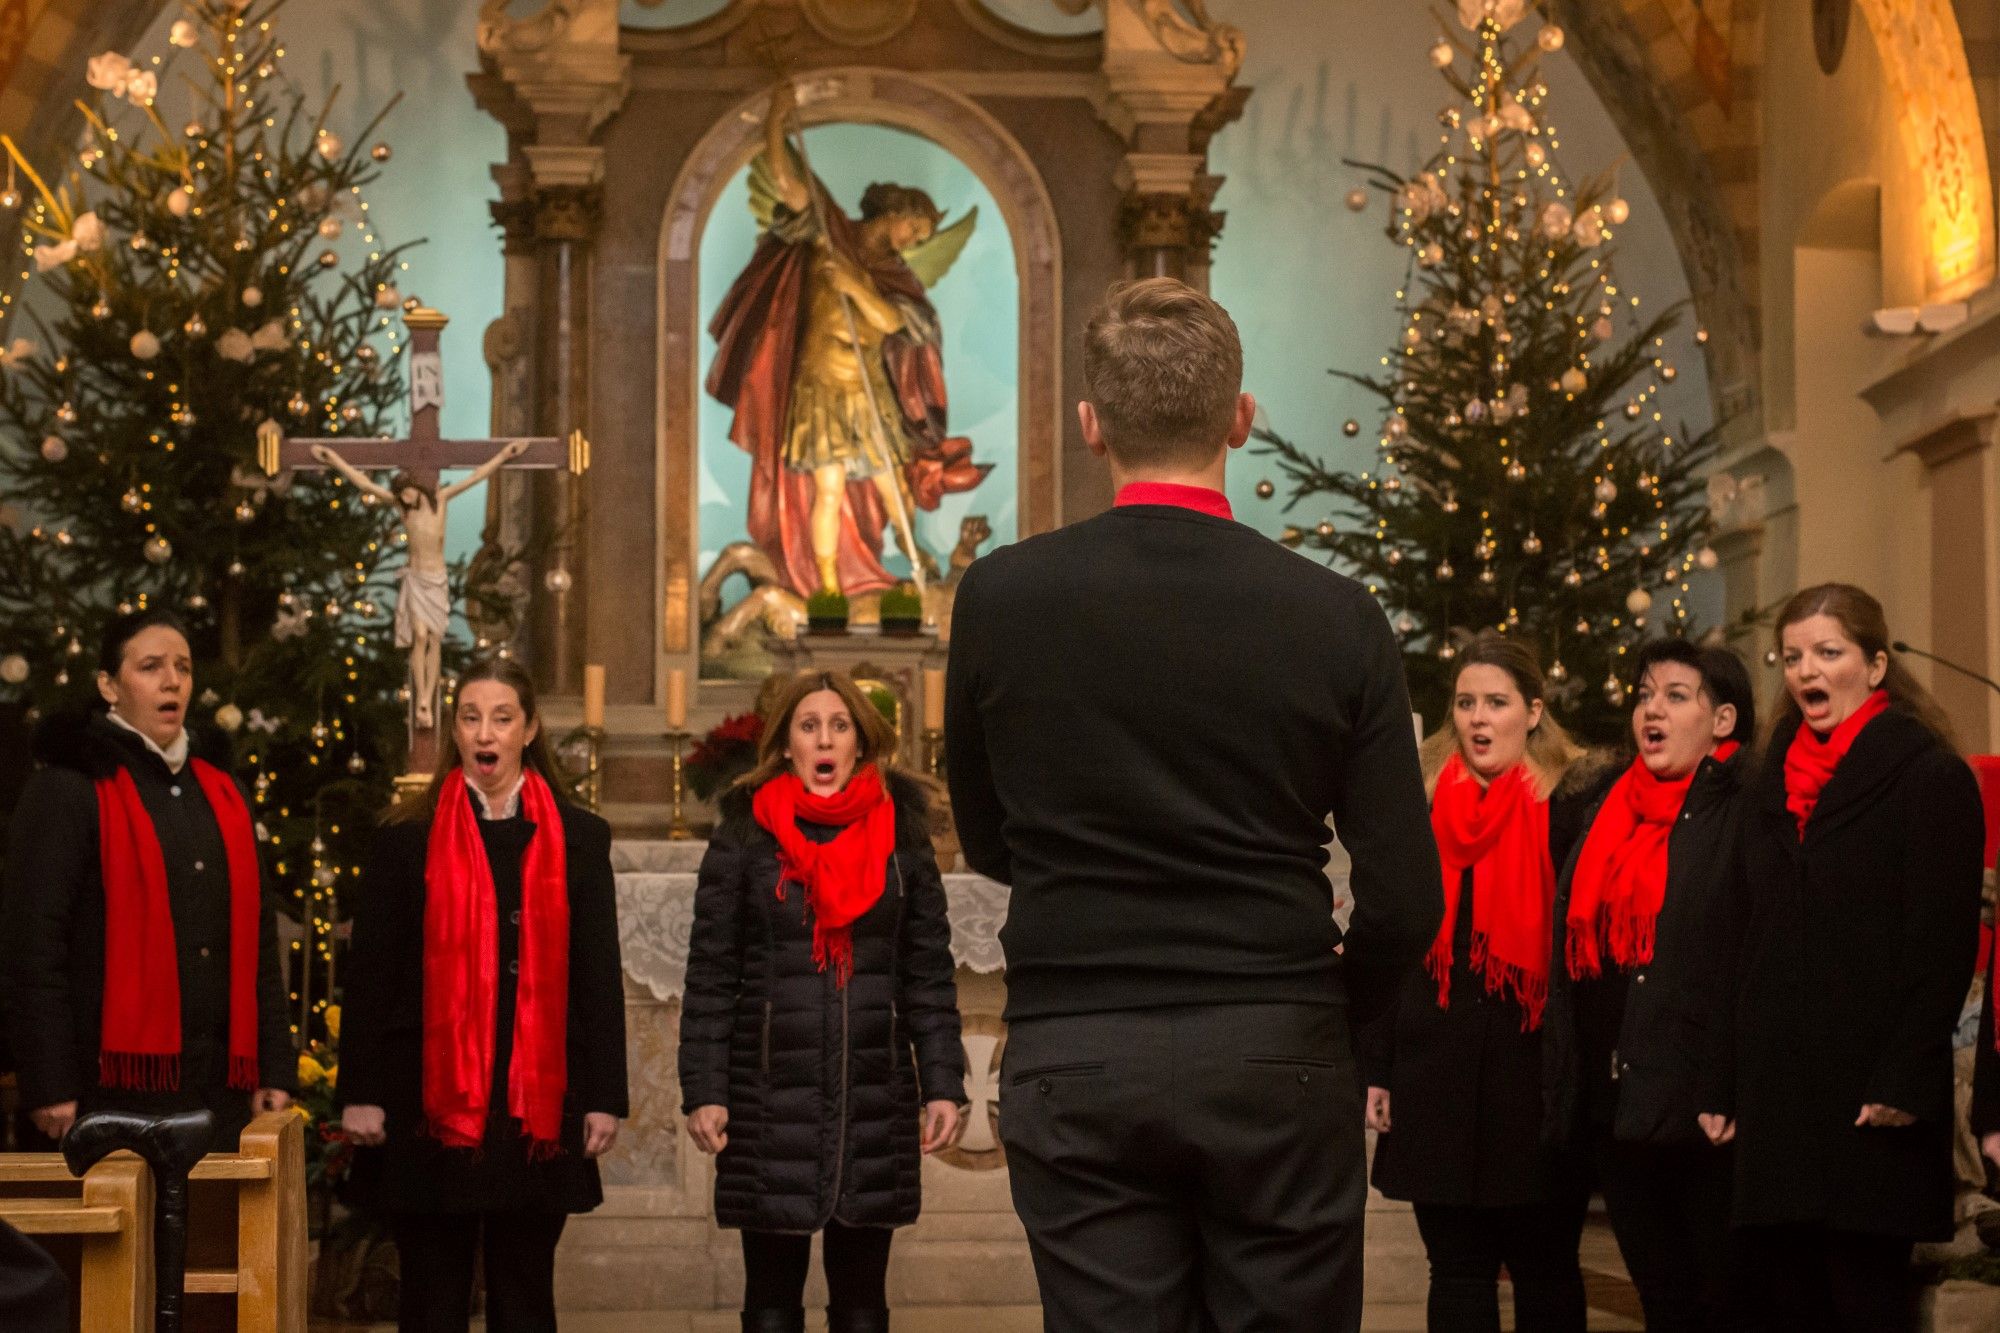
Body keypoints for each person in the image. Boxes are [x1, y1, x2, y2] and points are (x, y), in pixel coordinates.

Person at [945, 277, 1442, 1332]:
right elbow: (1402, 893)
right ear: (1239, 419)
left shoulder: (1000, 596)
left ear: (1090, 426)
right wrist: (1318, 1009)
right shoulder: (1334, 615)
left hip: (1078, 1042)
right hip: (1273, 1040)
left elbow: (988, 837)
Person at [337, 657, 628, 1333]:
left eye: (501, 716)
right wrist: (360, 1089)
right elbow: (371, 975)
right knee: (433, 1295)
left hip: (535, 1104)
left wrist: (605, 1095)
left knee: (525, 1291)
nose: (485, 731)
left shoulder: (581, 838)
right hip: (427, 1102)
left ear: (528, 729)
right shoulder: (404, 836)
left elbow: (597, 975)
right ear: (455, 731)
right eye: (471, 717)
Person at [1725, 583, 1983, 1332]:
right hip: (1781, 1097)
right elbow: (1749, 934)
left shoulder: (1928, 776)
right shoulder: (1767, 783)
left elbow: (1941, 947)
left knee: (1863, 1303)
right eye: (1794, 655)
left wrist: (1904, 1075)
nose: (1807, 670)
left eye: (1828, 652)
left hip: (1872, 1097)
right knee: (1788, 1304)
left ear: (1875, 666)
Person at [680, 670, 964, 1333]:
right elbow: (712, 976)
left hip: (874, 1095)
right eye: (809, 725)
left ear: (862, 744)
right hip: (768, 1096)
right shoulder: (746, 838)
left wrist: (944, 1084)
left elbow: (927, 974)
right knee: (772, 1301)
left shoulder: (903, 840)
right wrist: (705, 1087)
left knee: (862, 1303)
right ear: (785, 745)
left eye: (840, 725)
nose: (825, 738)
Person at [1361, 632, 1596, 1333]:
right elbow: (1392, 938)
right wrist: (1378, 1066)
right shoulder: (1423, 801)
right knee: (1455, 1268)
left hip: (1537, 1075)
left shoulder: (1572, 803)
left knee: (1545, 1263)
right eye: (1466, 703)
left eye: (1496, 702)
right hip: (1437, 1069)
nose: (1479, 718)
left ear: (1533, 711)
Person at [0, 608, 295, 1153]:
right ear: (109, 686)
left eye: (182, 667)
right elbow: (32, 945)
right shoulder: (69, 786)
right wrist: (49, 1081)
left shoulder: (221, 791)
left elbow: (255, 943)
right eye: (151, 666)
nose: (172, 681)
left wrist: (275, 1066)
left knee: (213, 1239)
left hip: (216, 1092)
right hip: (101, 1095)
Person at [706, 79, 990, 599]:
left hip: (867, 391)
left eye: (924, 240)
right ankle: (828, 594)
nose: (915, 243)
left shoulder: (889, 273)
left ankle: (918, 566)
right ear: (897, 212)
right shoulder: (827, 229)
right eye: (916, 230)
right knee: (829, 492)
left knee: (890, 485)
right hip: (818, 388)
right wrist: (777, 116)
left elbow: (893, 324)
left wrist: (856, 286)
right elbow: (788, 178)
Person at [1544, 639, 1755, 1330]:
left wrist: (1725, 1080)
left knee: (1717, 1301)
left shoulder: (1743, 811)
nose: (1650, 710)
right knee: (1660, 1299)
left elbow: (1746, 963)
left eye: (1674, 695)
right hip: (1617, 1102)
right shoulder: (1604, 805)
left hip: (1702, 1105)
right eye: (1643, 695)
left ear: (1722, 719)